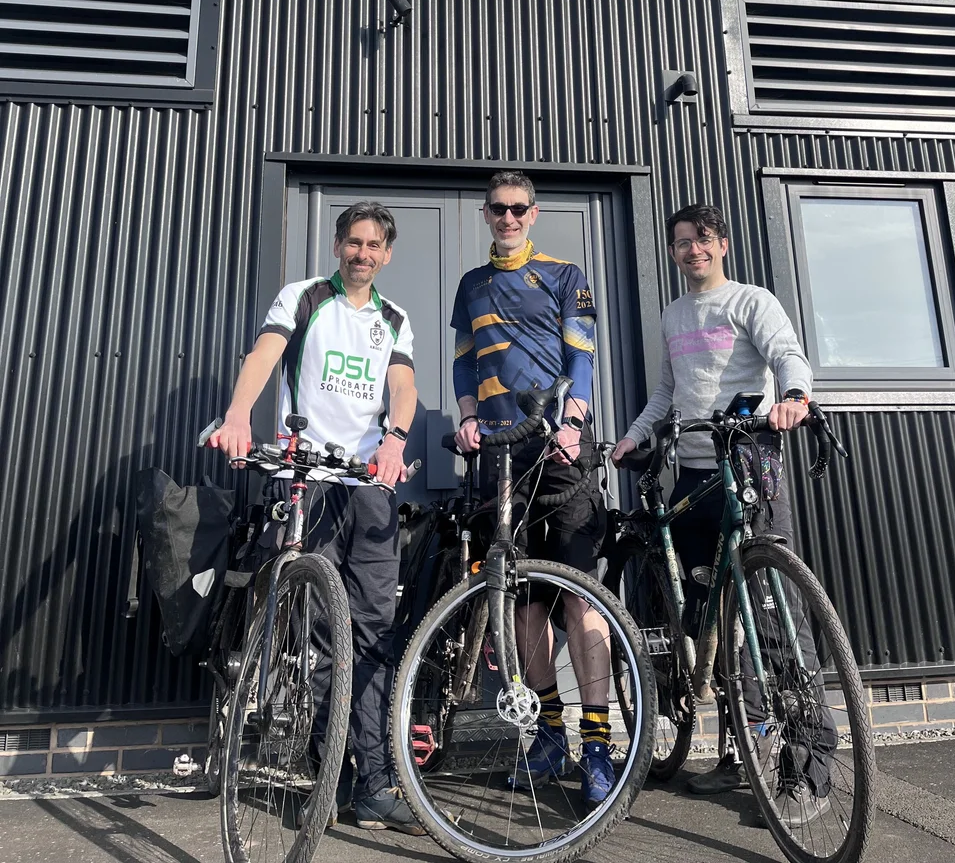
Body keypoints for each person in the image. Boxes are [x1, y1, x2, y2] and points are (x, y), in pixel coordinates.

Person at [612, 202, 837, 828]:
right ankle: (743, 753)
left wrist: (794, 397)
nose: (693, 250)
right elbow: (666, 392)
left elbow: (787, 355)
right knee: (713, 616)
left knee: (775, 615)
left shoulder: (751, 301)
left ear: (723, 244)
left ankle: (808, 765)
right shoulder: (673, 314)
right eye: (682, 242)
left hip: (749, 461)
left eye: (703, 239)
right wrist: (635, 435)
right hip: (692, 471)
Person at [209, 200, 423, 835]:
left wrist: (396, 439)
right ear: (337, 246)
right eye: (353, 242)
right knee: (326, 632)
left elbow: (403, 386)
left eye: (374, 245)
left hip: (369, 484)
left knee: (375, 631)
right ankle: (329, 774)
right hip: (309, 477)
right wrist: (238, 415)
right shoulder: (304, 298)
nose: (362, 254)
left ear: (387, 255)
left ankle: (374, 783)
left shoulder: (394, 318)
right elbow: (264, 354)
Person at [451, 170, 614, 808]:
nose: (509, 218)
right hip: (500, 455)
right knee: (524, 604)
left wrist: (574, 420)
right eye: (499, 208)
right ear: (486, 214)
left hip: (560, 446)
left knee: (581, 597)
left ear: (534, 213)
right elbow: (464, 358)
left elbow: (583, 351)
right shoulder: (471, 284)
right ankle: (548, 734)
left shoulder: (565, 274)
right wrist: (468, 415)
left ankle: (597, 744)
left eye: (519, 208)